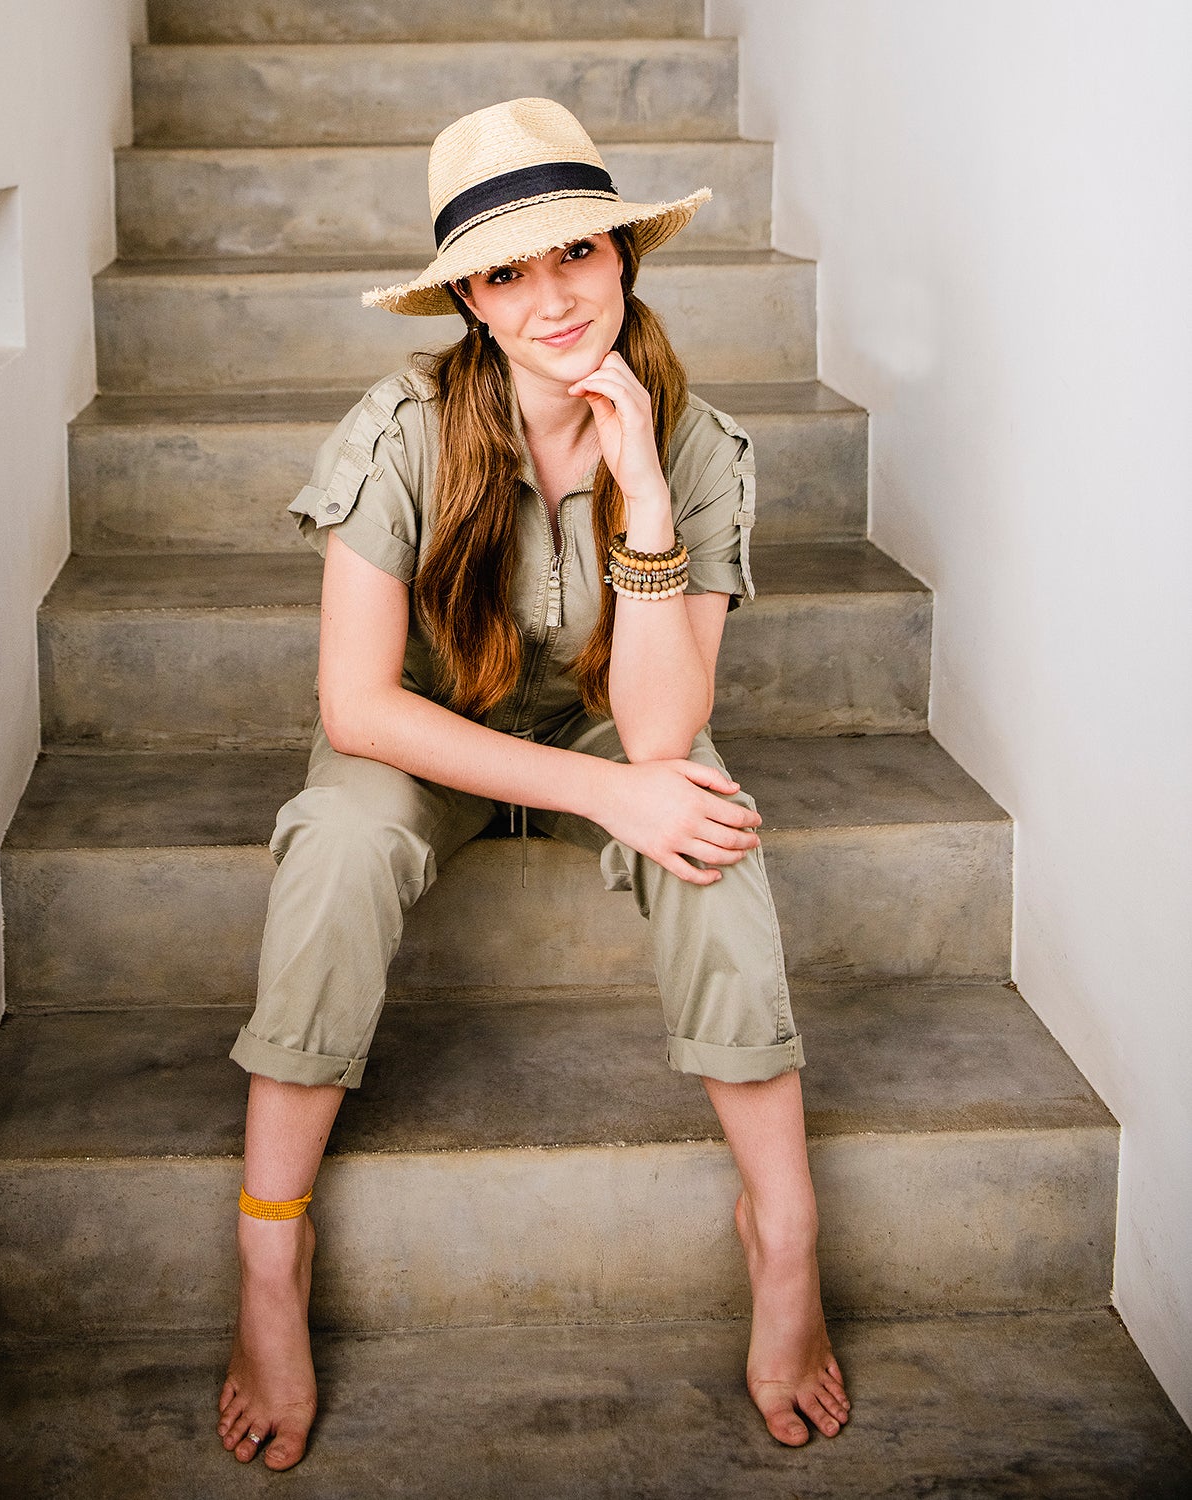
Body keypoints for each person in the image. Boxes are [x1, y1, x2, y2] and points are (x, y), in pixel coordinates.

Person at [215, 96, 850, 1471]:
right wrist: (604, 797)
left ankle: (783, 1237)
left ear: (626, 259)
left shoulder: (699, 441)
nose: (552, 296)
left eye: (577, 255)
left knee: (715, 838)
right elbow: (355, 705)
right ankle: (272, 1256)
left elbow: (665, 733)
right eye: (508, 271)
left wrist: (646, 497)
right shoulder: (398, 432)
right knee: (335, 839)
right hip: (424, 739)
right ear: (468, 300)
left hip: (606, 726)